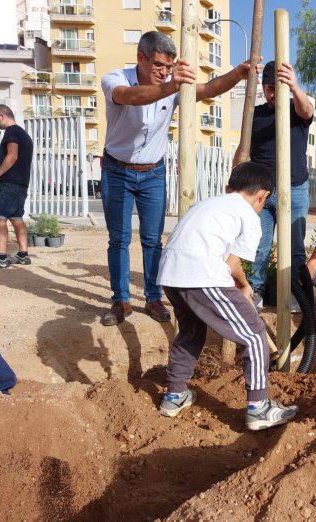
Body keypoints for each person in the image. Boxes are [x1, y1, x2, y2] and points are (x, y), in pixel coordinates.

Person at [100, 31, 260, 326]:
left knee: (152, 239)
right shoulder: (116, 78)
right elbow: (129, 98)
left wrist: (238, 73)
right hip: (117, 170)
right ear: (140, 58)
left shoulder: (171, 86)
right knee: (119, 239)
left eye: (169, 67)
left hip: (152, 173)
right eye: (158, 65)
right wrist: (172, 85)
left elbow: (209, 88)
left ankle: (152, 297)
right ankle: (120, 300)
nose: (163, 72)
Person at [156, 161, 297, 430]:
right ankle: (259, 408)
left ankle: (174, 396)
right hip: (201, 276)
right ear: (263, 196)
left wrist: (242, 285)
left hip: (171, 276)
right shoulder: (249, 217)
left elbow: (227, 264)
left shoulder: (207, 204)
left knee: (191, 332)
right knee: (254, 335)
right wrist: (244, 286)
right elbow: (233, 263)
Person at [247, 60, 314, 311]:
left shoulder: (296, 110)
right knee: (259, 246)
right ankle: (255, 292)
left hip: (295, 190)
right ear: (264, 89)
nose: (273, 93)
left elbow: (307, 110)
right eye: (269, 88)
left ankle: (296, 295)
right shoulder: (256, 116)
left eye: (277, 87)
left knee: (295, 248)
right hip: (262, 192)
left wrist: (294, 87)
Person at [0, 104, 33, 269]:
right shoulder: (25, 135)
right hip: (22, 184)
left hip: (9, 182)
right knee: (17, 218)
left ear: (1, 115)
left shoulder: (11, 132)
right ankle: (23, 254)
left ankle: (1, 258)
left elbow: (12, 155)